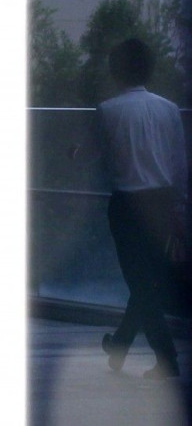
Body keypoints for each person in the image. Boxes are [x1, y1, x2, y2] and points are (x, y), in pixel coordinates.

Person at [97, 37, 188, 379]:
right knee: (146, 281)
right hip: (163, 203)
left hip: (127, 205)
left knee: (139, 281)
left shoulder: (108, 110)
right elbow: (179, 164)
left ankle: (167, 359)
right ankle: (119, 344)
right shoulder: (168, 109)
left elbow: (101, 156)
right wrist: (179, 210)